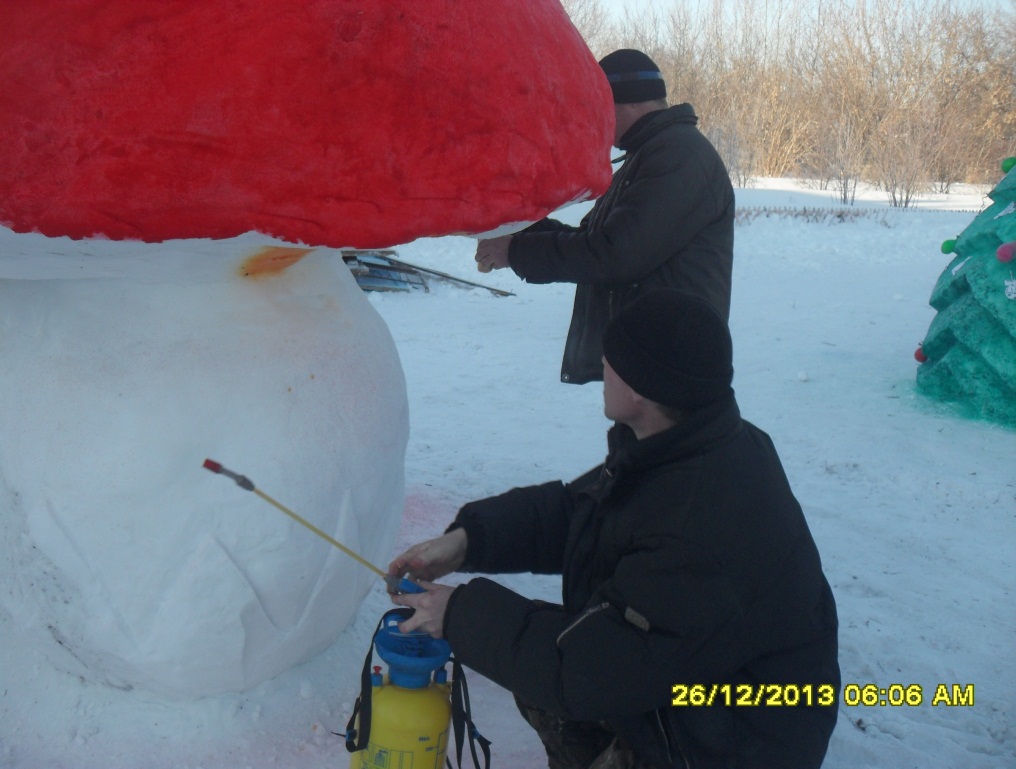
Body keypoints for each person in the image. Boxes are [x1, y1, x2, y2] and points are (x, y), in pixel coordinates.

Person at [389, 289, 840, 769]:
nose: (602, 362)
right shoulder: (688, 445)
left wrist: (457, 613)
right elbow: (580, 514)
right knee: (538, 653)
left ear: (642, 387)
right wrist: (468, 541)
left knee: (550, 660)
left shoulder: (698, 526)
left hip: (730, 741)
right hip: (699, 688)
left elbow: (582, 671)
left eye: (613, 358)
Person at [474, 49, 735, 387]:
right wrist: (518, 228)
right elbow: (594, 241)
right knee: (635, 441)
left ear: (624, 102)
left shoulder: (678, 155)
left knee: (677, 442)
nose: (594, 120)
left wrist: (515, 252)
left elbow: (615, 254)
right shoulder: (649, 155)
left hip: (673, 361)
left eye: (597, 106)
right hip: (649, 357)